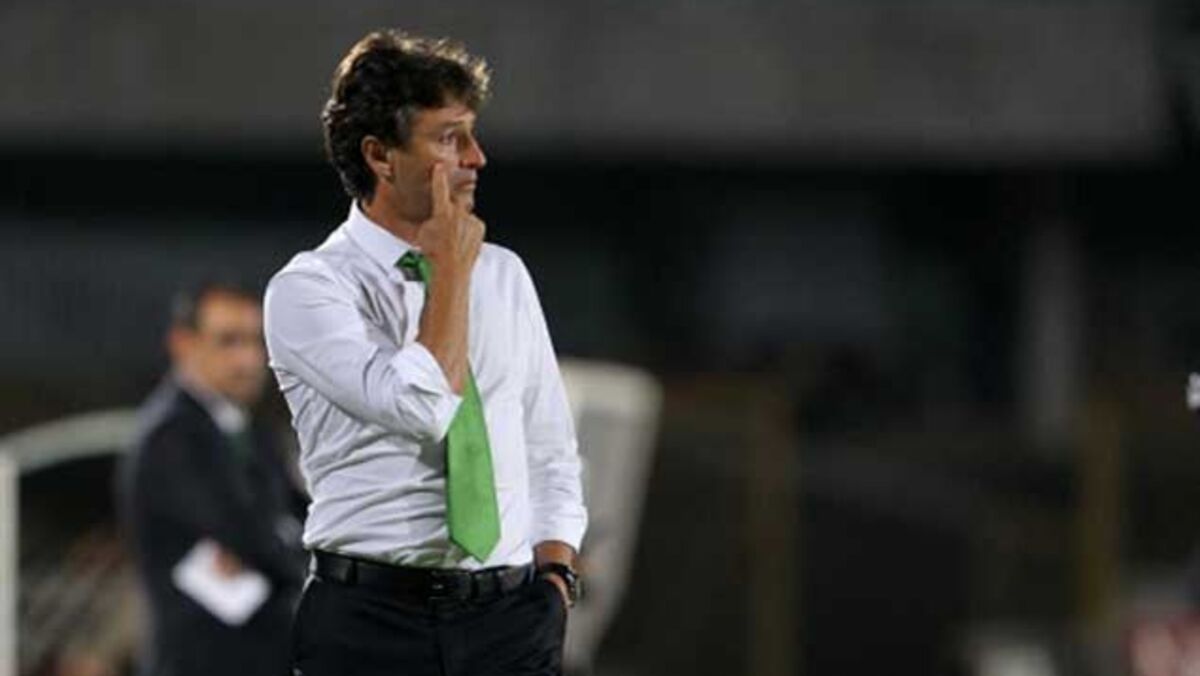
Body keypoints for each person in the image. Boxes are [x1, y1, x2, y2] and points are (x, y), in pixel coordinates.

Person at [263, 30, 587, 676]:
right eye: (449, 138)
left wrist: (556, 578)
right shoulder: (309, 290)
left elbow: (548, 444)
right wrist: (449, 272)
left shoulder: (504, 274)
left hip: (510, 621)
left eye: (472, 134)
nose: (477, 157)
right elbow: (423, 406)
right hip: (370, 625)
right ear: (380, 155)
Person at [119, 282, 307, 676]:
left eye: (256, 341)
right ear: (182, 343)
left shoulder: (253, 433)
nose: (248, 359)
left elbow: (302, 522)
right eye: (228, 341)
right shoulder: (170, 437)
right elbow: (249, 537)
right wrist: (312, 572)